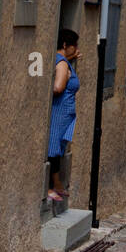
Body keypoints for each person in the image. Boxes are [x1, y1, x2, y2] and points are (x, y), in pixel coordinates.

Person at [47, 28, 81, 202]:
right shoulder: (61, 64)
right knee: (53, 147)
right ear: (65, 45)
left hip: (64, 114)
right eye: (74, 45)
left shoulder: (63, 61)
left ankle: (56, 184)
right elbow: (58, 88)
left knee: (58, 147)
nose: (76, 49)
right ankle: (49, 187)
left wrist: (71, 59)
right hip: (59, 112)